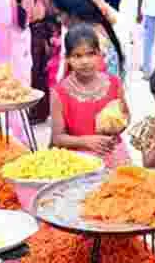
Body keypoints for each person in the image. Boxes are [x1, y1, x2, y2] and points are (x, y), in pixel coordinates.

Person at [50, 24, 130, 167]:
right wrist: (86, 141)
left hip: (112, 152)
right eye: (77, 56)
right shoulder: (60, 92)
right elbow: (57, 138)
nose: (85, 61)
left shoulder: (113, 83)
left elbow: (126, 116)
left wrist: (116, 125)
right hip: (80, 158)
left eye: (90, 54)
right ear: (67, 58)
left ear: (100, 54)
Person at [52, 0, 125, 82]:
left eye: (59, 14)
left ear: (73, 13)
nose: (58, 19)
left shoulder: (84, 38)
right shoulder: (98, 25)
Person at [29, 0, 61, 124]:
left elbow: (41, 14)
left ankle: (38, 111)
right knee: (43, 73)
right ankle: (42, 110)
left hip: (41, 34)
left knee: (38, 73)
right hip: (49, 33)